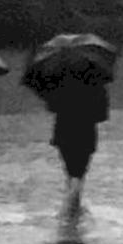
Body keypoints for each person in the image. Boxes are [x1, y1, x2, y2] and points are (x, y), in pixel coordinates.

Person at [48, 76, 109, 216]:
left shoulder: (59, 82)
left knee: (70, 170)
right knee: (80, 171)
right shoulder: (96, 85)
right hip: (86, 132)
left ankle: (72, 203)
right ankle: (73, 203)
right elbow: (102, 115)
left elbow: (52, 106)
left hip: (63, 130)